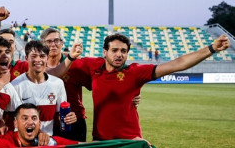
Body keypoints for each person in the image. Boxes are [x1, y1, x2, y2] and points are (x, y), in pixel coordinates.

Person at [74, 33, 229, 141]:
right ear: (104, 52)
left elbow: (177, 64)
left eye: (124, 51)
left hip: (130, 141)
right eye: (114, 50)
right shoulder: (92, 66)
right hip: (100, 140)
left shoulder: (135, 72)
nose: (119, 54)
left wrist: (212, 48)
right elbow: (59, 65)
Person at [11, 41, 76, 135]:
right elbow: (12, 118)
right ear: (26, 58)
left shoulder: (58, 83)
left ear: (47, 58)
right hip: (23, 142)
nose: (38, 60)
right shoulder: (16, 85)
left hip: (47, 142)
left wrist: (68, 118)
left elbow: (59, 115)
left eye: (42, 56)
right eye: (33, 56)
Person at [0, 103, 78, 148]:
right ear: (16, 123)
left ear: (39, 124)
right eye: (25, 118)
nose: (30, 122)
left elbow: (82, 147)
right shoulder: (3, 143)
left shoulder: (48, 142)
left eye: (34, 118)